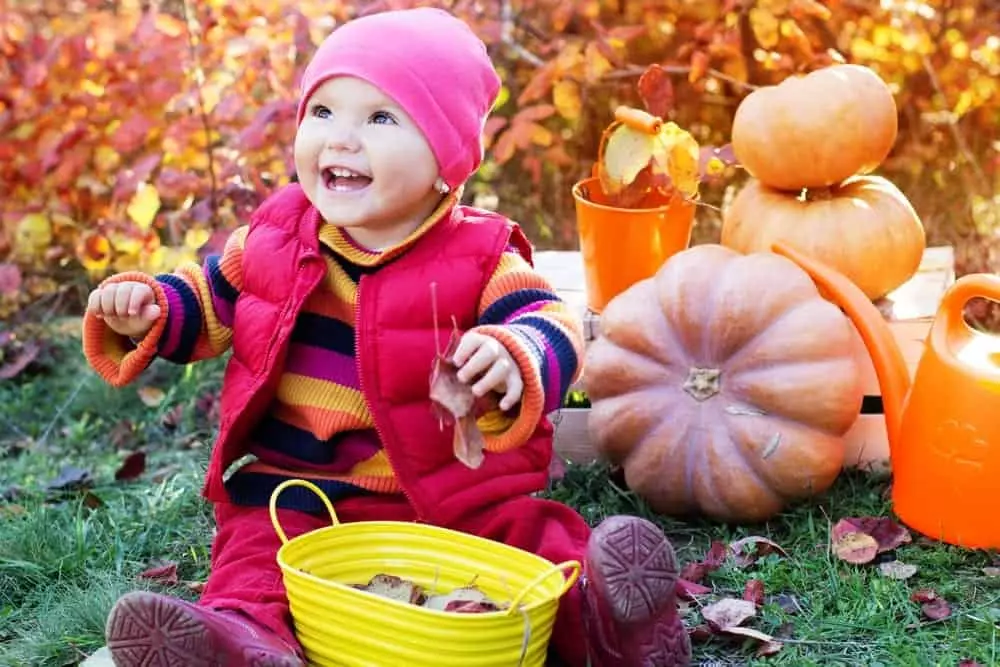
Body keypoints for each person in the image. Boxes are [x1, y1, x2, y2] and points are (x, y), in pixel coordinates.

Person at [82, 7, 691, 667]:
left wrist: (519, 354)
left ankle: (609, 619)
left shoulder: (479, 254)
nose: (342, 139)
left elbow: (549, 319)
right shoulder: (274, 236)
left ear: (444, 158)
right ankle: (241, 641)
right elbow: (208, 303)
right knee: (254, 559)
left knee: (530, 544)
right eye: (323, 112)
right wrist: (148, 310)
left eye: (379, 118)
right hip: (295, 492)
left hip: (442, 495)